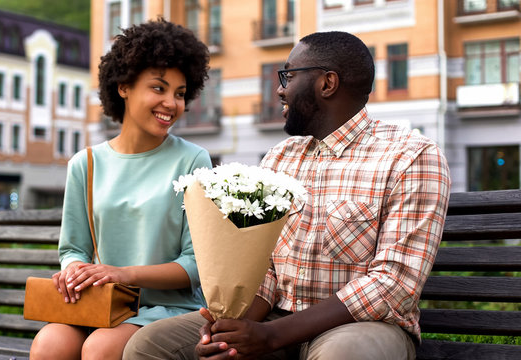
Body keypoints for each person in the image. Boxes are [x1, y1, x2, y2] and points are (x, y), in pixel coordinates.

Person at [122, 31, 451, 360]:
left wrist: (272, 336)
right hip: (273, 318)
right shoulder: (280, 157)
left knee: (342, 355)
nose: (280, 89)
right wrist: (231, 329)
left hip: (362, 326)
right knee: (149, 344)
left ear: (327, 84)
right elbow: (265, 268)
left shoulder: (410, 156)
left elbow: (392, 285)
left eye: (288, 76)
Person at [29, 19, 212, 360]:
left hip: (167, 309)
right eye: (158, 88)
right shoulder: (85, 163)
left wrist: (122, 274)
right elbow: (73, 248)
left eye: (180, 93)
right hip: (100, 304)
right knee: (49, 344)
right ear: (124, 86)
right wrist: (74, 271)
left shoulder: (193, 160)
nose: (171, 103)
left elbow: (196, 265)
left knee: (101, 348)